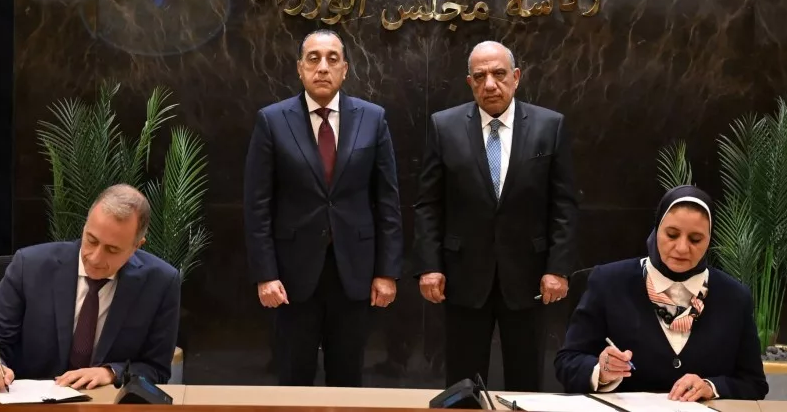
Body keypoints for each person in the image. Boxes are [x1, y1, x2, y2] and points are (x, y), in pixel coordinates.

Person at [413, 40, 580, 391]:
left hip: (529, 277)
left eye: (499, 74)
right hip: (463, 275)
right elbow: (429, 204)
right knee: (463, 383)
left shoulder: (549, 126)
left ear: (516, 77)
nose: (490, 84)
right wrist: (429, 266)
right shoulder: (444, 126)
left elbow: (563, 205)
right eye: (480, 76)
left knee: (526, 381)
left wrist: (558, 268)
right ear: (469, 82)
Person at [243, 29, 404, 387]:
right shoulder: (272, 120)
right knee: (294, 378)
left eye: (333, 59)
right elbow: (257, 205)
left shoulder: (372, 118)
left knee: (347, 378)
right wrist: (265, 274)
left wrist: (387, 272)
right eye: (313, 58)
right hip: (292, 275)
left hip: (355, 272)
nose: (322, 67)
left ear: (345, 69)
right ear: (299, 68)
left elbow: (387, 202)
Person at [555, 185, 769, 402]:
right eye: (672, 235)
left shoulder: (734, 297)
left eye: (695, 239)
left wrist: (711, 387)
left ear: (709, 239)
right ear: (656, 230)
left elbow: (754, 384)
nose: (682, 248)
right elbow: (567, 362)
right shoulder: (608, 282)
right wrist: (600, 371)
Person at [0, 184, 181, 392]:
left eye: (112, 250)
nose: (95, 258)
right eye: (91, 240)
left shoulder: (160, 283)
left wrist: (111, 373)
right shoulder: (30, 267)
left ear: (136, 246)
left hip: (105, 405)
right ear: (85, 227)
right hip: (31, 404)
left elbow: (156, 369)